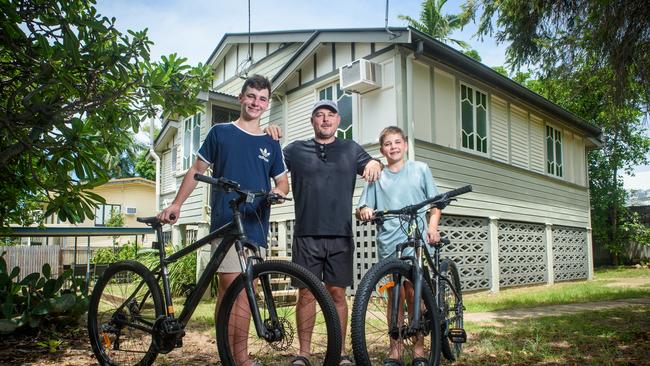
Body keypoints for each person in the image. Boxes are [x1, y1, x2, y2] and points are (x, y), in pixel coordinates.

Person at [157, 74, 288, 366]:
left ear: (267, 104)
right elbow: (196, 169)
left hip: (256, 225)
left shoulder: (271, 141)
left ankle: (230, 356)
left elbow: (282, 182)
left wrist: (277, 193)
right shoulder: (220, 133)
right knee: (235, 289)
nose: (256, 102)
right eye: (251, 96)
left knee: (245, 290)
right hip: (227, 222)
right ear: (241, 97)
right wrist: (176, 204)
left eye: (262, 98)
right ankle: (238, 359)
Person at [279, 100, 382, 366]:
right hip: (306, 235)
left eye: (330, 115)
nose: (325, 120)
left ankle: (339, 351)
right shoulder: (294, 150)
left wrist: (375, 162)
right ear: (312, 121)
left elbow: (373, 163)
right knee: (306, 294)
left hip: (340, 236)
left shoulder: (351, 148)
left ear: (338, 121)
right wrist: (269, 134)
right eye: (319, 115)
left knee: (337, 294)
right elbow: (269, 163)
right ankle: (304, 353)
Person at [356, 126, 441, 366]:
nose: (393, 147)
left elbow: (436, 204)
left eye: (397, 142)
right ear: (381, 149)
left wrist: (432, 227)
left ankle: (419, 349)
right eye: (387, 144)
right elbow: (362, 207)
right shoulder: (377, 176)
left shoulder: (420, 169)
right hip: (389, 243)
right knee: (395, 295)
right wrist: (364, 211)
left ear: (405, 144)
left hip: (415, 239)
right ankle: (394, 350)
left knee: (414, 292)